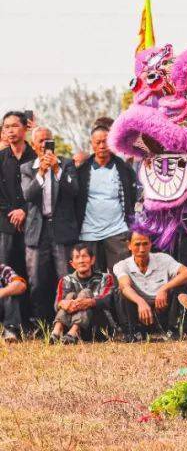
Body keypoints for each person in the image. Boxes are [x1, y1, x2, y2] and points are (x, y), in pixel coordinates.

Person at [20, 126, 81, 324]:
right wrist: (42, 172)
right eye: (41, 141)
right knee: (37, 280)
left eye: (48, 140)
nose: (45, 144)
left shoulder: (66, 163)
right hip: (38, 231)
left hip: (62, 230)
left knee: (65, 278)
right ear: (34, 144)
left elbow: (74, 190)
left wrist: (56, 170)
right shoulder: (27, 168)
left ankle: (67, 322)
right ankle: (40, 323)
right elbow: (28, 195)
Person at [113, 231, 187, 340]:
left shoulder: (163, 259)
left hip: (162, 310)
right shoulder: (122, 265)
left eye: (145, 243)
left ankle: (173, 330)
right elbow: (125, 286)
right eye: (137, 244)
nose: (142, 249)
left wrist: (164, 289)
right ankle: (132, 332)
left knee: (179, 285)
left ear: (151, 244)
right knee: (118, 292)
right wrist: (140, 302)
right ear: (129, 245)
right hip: (138, 313)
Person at [76, 124, 136, 272]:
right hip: (89, 232)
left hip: (117, 230)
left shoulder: (123, 168)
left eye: (105, 141)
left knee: (121, 275)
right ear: (92, 144)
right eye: (98, 142)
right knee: (95, 278)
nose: (102, 146)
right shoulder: (82, 170)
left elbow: (132, 196)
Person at [52, 243, 114, 343]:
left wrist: (89, 302)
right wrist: (64, 304)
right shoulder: (65, 280)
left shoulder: (105, 278)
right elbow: (57, 304)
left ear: (92, 260)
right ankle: (56, 332)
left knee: (85, 293)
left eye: (84, 256)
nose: (81, 261)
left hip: (99, 327)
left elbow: (108, 300)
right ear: (72, 264)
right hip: (70, 325)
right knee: (69, 297)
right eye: (77, 257)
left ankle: (74, 332)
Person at [0, 111, 36, 270]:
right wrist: (13, 213)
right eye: (6, 127)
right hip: (5, 225)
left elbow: (43, 191)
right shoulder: (0, 158)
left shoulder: (37, 158)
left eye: (15, 126)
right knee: (6, 274)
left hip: (33, 225)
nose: (10, 131)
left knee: (34, 276)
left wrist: (24, 211)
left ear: (26, 128)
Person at [0, 262, 26, 341]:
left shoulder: (3, 269)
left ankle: (10, 331)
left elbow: (20, 285)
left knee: (12, 290)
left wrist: (2, 292)